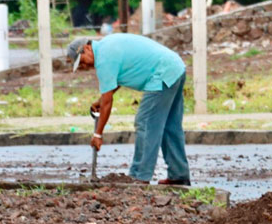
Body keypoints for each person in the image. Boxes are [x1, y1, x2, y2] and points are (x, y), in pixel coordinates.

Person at [67, 34, 191, 185]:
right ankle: (179, 175)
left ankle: (140, 176)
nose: (84, 67)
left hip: (161, 74)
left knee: (145, 123)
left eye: (82, 62)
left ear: (87, 48)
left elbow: (107, 103)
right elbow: (115, 82)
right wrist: (101, 100)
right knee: (170, 126)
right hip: (175, 67)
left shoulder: (103, 59)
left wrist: (97, 134)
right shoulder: (107, 46)